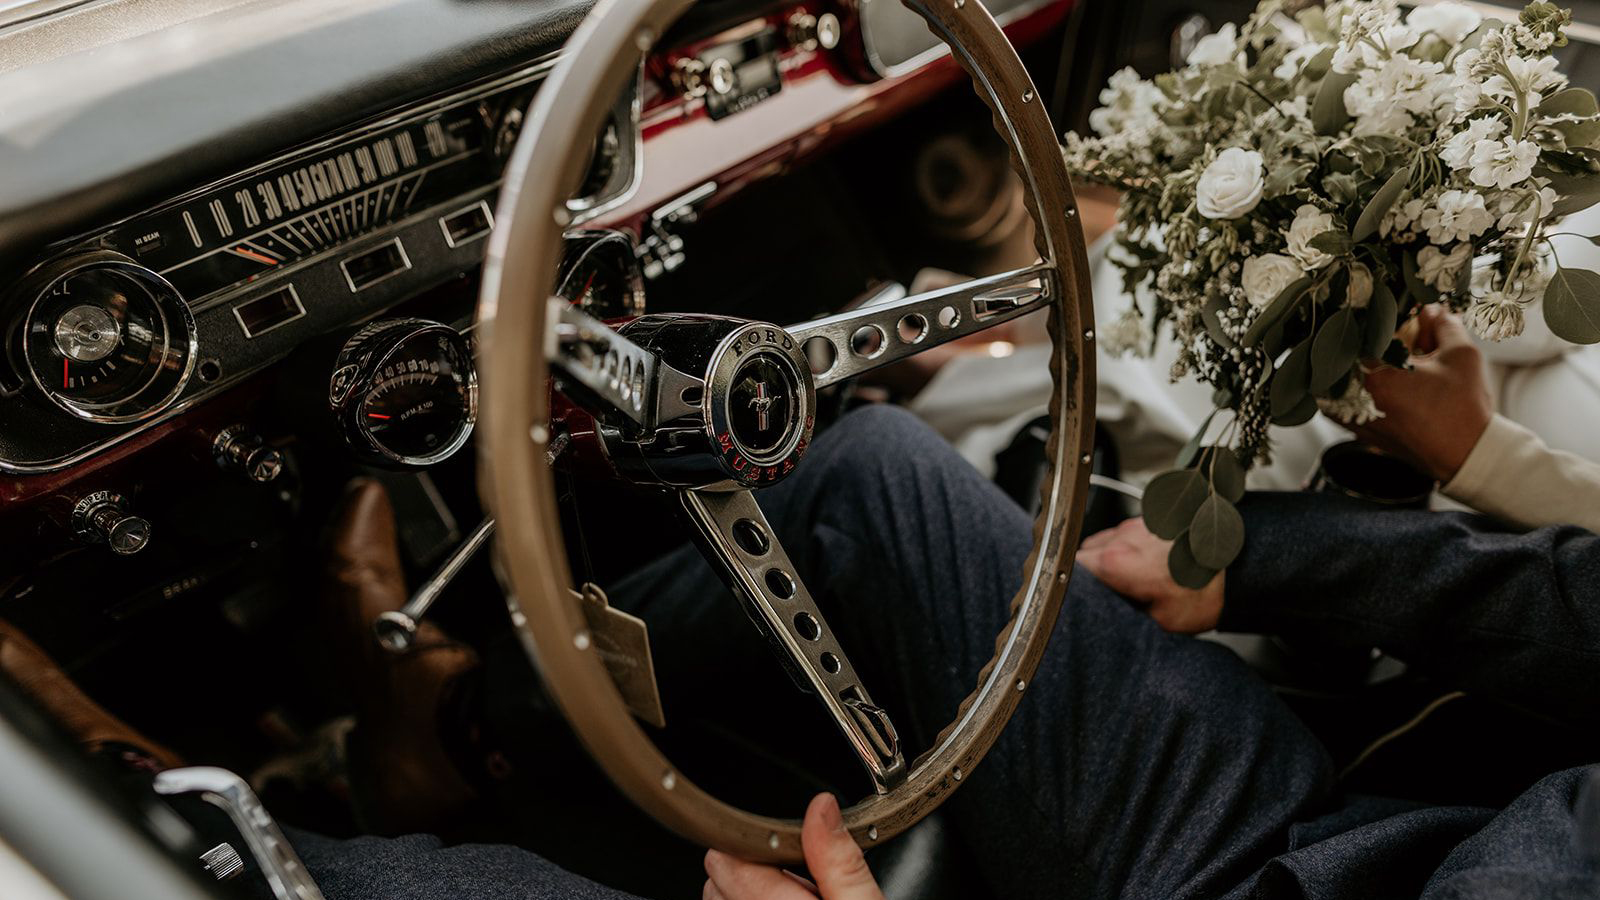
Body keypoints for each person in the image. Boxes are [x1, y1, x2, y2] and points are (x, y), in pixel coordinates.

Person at [4, 400, 1599, 899]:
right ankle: (459, 727)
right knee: (874, 486)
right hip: (1329, 851)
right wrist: (1271, 557)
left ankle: (138, 813)